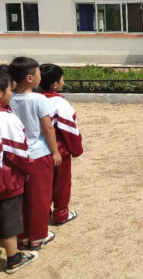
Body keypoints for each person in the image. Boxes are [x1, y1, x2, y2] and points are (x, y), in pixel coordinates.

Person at [8, 57, 61, 250]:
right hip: (39, 154)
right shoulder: (39, 99)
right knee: (40, 197)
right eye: (38, 73)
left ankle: (22, 236)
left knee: (21, 198)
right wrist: (55, 152)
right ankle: (38, 236)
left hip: (17, 156)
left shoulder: (9, 99)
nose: (40, 76)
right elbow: (47, 128)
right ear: (30, 78)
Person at [0, 72, 39, 273]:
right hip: (5, 180)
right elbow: (18, 152)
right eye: (9, 90)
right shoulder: (5, 119)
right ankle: (14, 259)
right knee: (8, 218)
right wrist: (29, 169)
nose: (12, 93)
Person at [39, 64, 83, 226]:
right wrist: (76, 150)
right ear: (55, 84)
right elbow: (69, 130)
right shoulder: (59, 103)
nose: (63, 82)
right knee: (61, 184)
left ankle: (43, 216)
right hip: (58, 150)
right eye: (62, 79)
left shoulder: (33, 99)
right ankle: (61, 214)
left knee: (41, 186)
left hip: (38, 150)